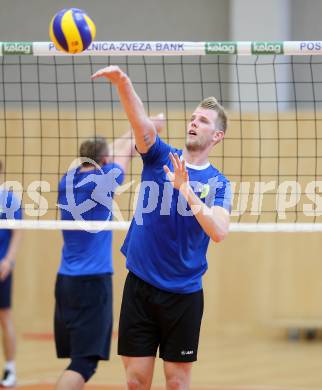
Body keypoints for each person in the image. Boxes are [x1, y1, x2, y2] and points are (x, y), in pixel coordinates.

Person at [91, 66, 231, 390]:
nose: (194, 122)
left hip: (183, 294)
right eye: (194, 117)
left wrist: (186, 190)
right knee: (136, 381)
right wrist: (123, 83)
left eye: (204, 121)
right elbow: (140, 124)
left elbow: (219, 231)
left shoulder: (219, 183)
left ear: (217, 136)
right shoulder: (160, 156)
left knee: (177, 383)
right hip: (140, 285)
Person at [55, 116, 165, 390]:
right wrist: (145, 128)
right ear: (104, 160)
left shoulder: (66, 181)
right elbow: (125, 151)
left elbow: (111, 151)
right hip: (92, 283)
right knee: (83, 364)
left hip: (65, 282)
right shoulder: (106, 180)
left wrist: (136, 127)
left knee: (77, 360)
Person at [0, 160, 23, 388]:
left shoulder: (9, 199)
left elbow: (17, 233)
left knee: (4, 317)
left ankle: (10, 369)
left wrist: (9, 260)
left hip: (1, 268)